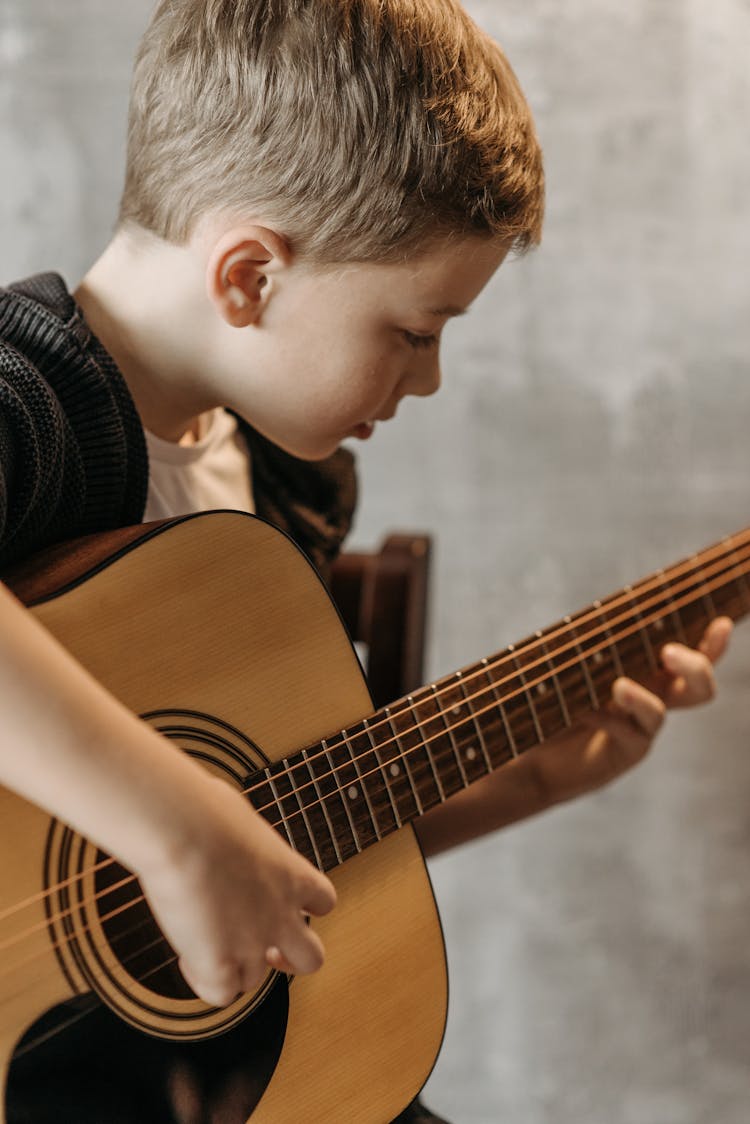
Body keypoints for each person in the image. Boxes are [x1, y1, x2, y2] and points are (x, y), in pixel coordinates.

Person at [0, 1, 731, 1121]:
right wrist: (173, 822)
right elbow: (202, 834)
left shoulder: (293, 482)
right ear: (249, 277)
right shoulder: (32, 404)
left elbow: (279, 830)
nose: (429, 378)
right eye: (416, 329)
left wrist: (534, 772)